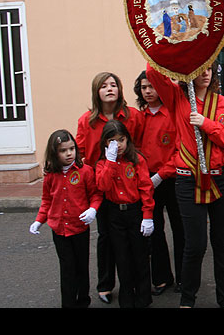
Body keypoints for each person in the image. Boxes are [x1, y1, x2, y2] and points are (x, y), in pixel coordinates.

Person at [146, 61, 224, 309]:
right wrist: (175, 44)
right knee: (195, 244)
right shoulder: (177, 98)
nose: (206, 73)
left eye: (209, 68)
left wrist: (206, 124)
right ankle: (187, 300)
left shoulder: (223, 103)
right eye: (200, 68)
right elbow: (151, 72)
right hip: (188, 180)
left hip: (223, 178)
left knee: (222, 241)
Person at [76, 71, 144, 304]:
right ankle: (105, 284)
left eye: (113, 84)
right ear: (97, 92)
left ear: (120, 89)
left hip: (128, 183)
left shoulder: (133, 116)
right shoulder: (87, 121)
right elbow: (80, 154)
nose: (109, 89)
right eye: (103, 86)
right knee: (105, 236)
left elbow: (140, 147)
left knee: (135, 239)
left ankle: (137, 284)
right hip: (101, 185)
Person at [29, 129, 103, 308]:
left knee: (81, 267)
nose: (69, 153)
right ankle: (68, 303)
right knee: (67, 269)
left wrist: (93, 209)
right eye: (63, 150)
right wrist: (39, 220)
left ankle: (83, 301)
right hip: (60, 230)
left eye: (72, 149)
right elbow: (47, 200)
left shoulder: (85, 172)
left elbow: (95, 194)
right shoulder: (50, 175)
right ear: (55, 153)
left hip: (79, 229)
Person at [134, 71, 185, 295]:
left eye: (152, 87)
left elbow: (180, 149)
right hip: (147, 182)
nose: (148, 91)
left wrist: (161, 175)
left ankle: (185, 277)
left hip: (172, 179)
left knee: (180, 229)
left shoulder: (173, 114)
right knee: (154, 232)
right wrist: (145, 176)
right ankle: (162, 277)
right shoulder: (138, 117)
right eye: (144, 87)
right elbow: (133, 150)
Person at [95, 120, 155, 308]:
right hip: (115, 214)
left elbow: (146, 187)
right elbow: (103, 186)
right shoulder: (102, 164)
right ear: (105, 143)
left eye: (121, 140)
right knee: (122, 258)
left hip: (135, 212)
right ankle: (126, 299)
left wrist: (147, 216)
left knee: (140, 256)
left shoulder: (137, 159)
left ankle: (144, 298)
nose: (118, 145)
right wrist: (111, 162)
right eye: (112, 141)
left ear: (127, 139)